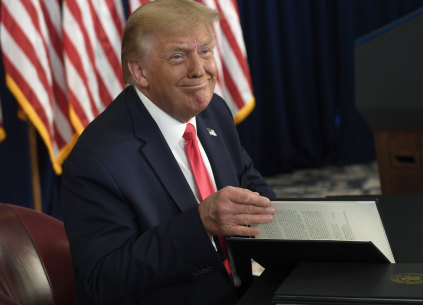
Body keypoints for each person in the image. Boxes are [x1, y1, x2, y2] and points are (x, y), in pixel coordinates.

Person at [60, 1, 276, 304]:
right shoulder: (96, 161)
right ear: (140, 72)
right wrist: (199, 224)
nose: (199, 70)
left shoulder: (214, 112)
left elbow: (252, 188)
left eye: (205, 51)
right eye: (178, 56)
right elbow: (104, 278)